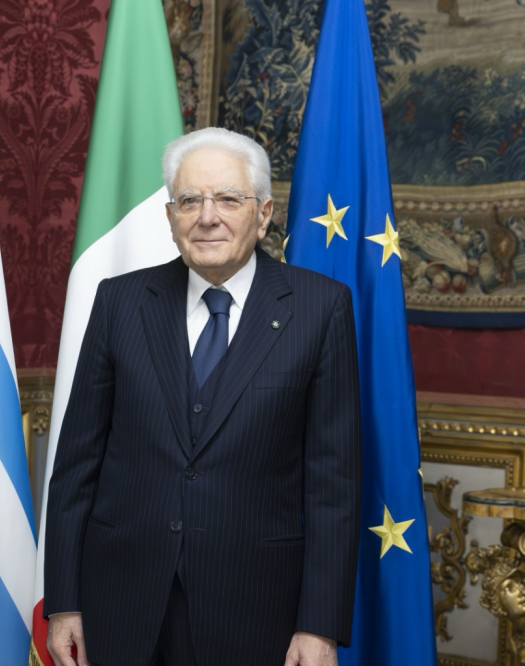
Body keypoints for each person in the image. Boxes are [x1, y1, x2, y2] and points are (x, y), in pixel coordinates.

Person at [43, 127, 362, 666]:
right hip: (120, 603)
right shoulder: (121, 302)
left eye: (229, 199)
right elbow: (77, 465)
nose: (207, 217)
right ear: (171, 217)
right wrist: (64, 602)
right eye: (190, 200)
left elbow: (334, 485)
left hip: (257, 610)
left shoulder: (320, 308)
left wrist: (320, 627)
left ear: (262, 214)